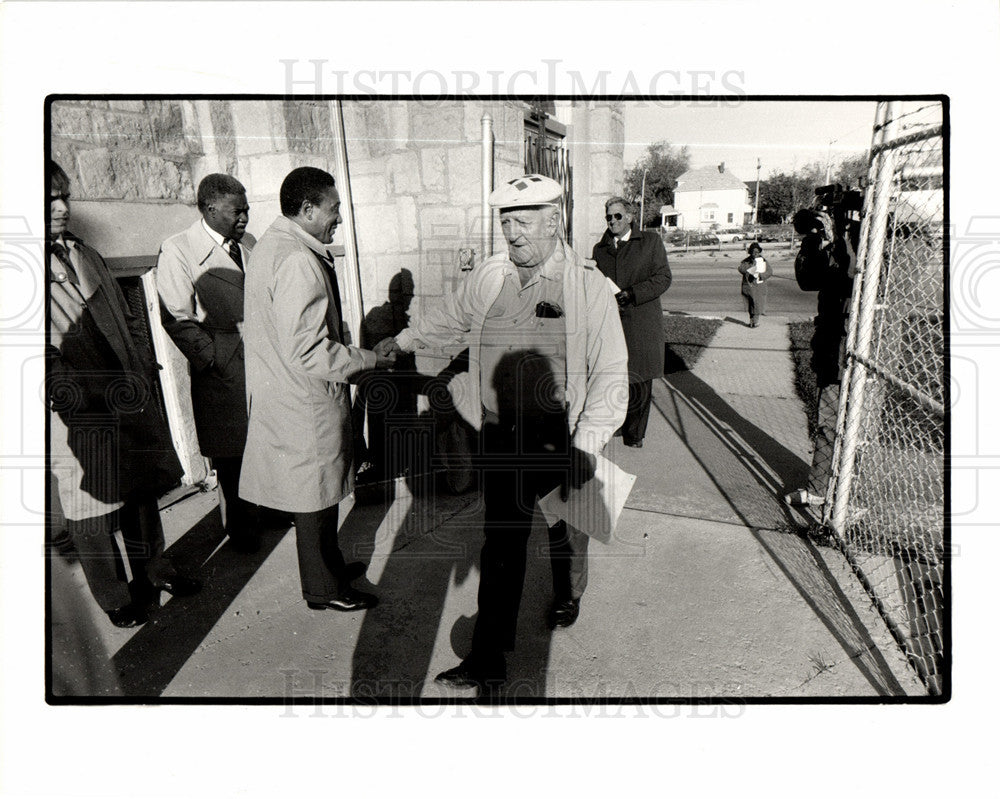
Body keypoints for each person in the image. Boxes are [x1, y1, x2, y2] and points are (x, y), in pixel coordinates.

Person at [387, 174, 628, 693]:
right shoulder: (493, 276)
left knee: (569, 526)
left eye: (522, 222)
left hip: (561, 433)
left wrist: (587, 445)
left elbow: (611, 370)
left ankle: (568, 589)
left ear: (554, 221)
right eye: (505, 222)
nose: (512, 234)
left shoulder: (588, 286)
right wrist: (404, 339)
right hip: (501, 435)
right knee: (503, 544)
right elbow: (450, 318)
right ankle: (488, 656)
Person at [47, 161, 200, 628]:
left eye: (65, 197)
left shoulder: (84, 253)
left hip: (124, 392)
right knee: (90, 510)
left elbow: (124, 315)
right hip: (76, 410)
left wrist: (138, 364)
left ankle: (155, 571)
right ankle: (114, 597)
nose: (62, 207)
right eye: (49, 198)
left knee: (140, 489)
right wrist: (71, 395)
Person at [239, 166, 397, 612]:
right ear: (307, 209)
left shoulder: (275, 246)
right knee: (314, 499)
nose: (339, 219)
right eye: (334, 209)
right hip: (303, 401)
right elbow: (308, 351)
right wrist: (368, 359)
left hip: (288, 396)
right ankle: (324, 590)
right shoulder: (296, 260)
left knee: (317, 498)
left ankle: (324, 571)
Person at [156, 174, 262, 552]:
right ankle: (240, 530)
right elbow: (177, 318)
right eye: (238, 210)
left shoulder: (248, 244)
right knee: (231, 456)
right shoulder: (179, 249)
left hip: (261, 361)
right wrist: (215, 358)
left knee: (264, 444)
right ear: (210, 208)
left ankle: (267, 512)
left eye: (247, 209)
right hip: (224, 370)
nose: (245, 217)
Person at [784, 204, 859, 507]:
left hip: (860, 342)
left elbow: (853, 282)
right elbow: (808, 279)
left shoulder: (873, 241)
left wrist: (844, 246)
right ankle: (819, 488)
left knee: (857, 424)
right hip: (832, 345)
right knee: (828, 417)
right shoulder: (832, 242)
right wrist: (820, 241)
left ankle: (849, 494)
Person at [591, 197, 672, 448]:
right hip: (611, 321)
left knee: (639, 378)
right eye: (608, 217)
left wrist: (633, 293)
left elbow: (663, 278)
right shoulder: (600, 249)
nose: (612, 221)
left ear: (629, 217)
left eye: (617, 216)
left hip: (640, 320)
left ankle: (635, 433)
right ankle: (616, 425)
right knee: (613, 376)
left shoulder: (650, 242)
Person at [737, 241, 773, 328]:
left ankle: (755, 322)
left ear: (759, 252)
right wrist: (750, 270)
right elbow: (740, 268)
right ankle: (752, 320)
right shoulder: (746, 261)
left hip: (759, 287)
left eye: (757, 252)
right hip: (749, 286)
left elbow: (769, 272)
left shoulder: (763, 261)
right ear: (750, 252)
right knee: (750, 304)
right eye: (753, 252)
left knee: (757, 305)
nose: (755, 254)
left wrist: (760, 275)